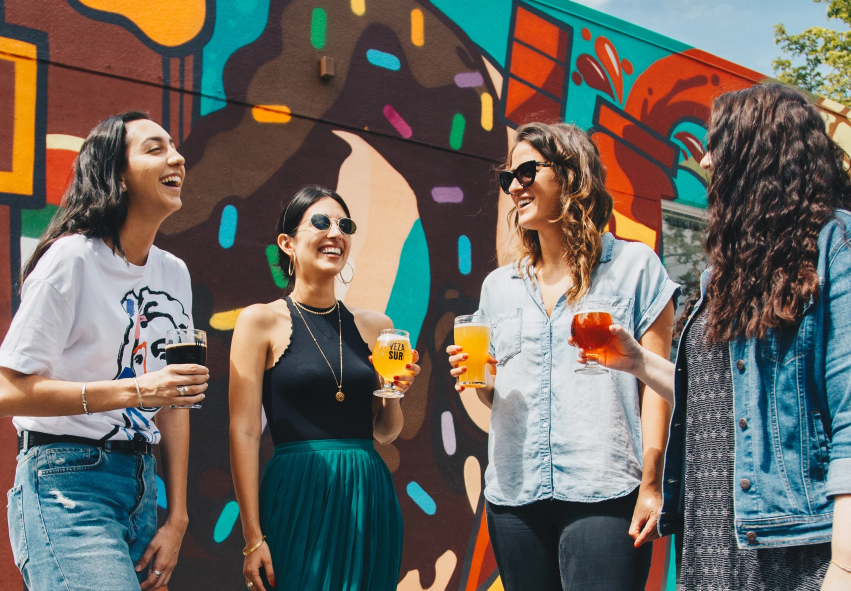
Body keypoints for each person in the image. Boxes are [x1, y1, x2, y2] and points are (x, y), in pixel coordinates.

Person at [573, 84, 851, 590]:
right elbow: (718, 404)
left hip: (793, 545)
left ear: (759, 153)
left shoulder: (834, 247)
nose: (704, 159)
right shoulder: (723, 275)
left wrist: (846, 566)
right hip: (712, 536)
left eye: (716, 144)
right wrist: (637, 361)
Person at [446, 122, 679, 590]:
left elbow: (658, 387)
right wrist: (480, 382)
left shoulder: (635, 268)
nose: (514, 186)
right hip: (514, 496)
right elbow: (502, 394)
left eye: (528, 171)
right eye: (507, 177)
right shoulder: (498, 287)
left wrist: (652, 483)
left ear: (573, 175)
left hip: (606, 491)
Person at [0, 112, 208, 591]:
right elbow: (11, 389)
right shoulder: (72, 259)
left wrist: (176, 516)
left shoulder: (173, 273)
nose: (176, 157)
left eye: (174, 147)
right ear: (116, 174)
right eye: (154, 149)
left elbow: (174, 402)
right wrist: (136, 390)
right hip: (65, 480)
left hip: (140, 484)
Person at [229, 185, 419, 591]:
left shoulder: (379, 328)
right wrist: (252, 536)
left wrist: (394, 393)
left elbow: (385, 432)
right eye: (320, 222)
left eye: (344, 225)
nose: (336, 232)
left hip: (367, 492)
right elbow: (243, 432)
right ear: (288, 243)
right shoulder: (259, 321)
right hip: (297, 492)